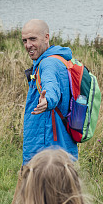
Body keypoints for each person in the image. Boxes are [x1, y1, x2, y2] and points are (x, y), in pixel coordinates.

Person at [21, 19, 78, 166]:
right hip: (62, 147)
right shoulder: (59, 59)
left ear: (46, 37)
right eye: (25, 40)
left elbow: (51, 86)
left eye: (33, 39)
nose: (28, 45)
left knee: (36, 189)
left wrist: (47, 101)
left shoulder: (48, 64)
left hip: (46, 152)